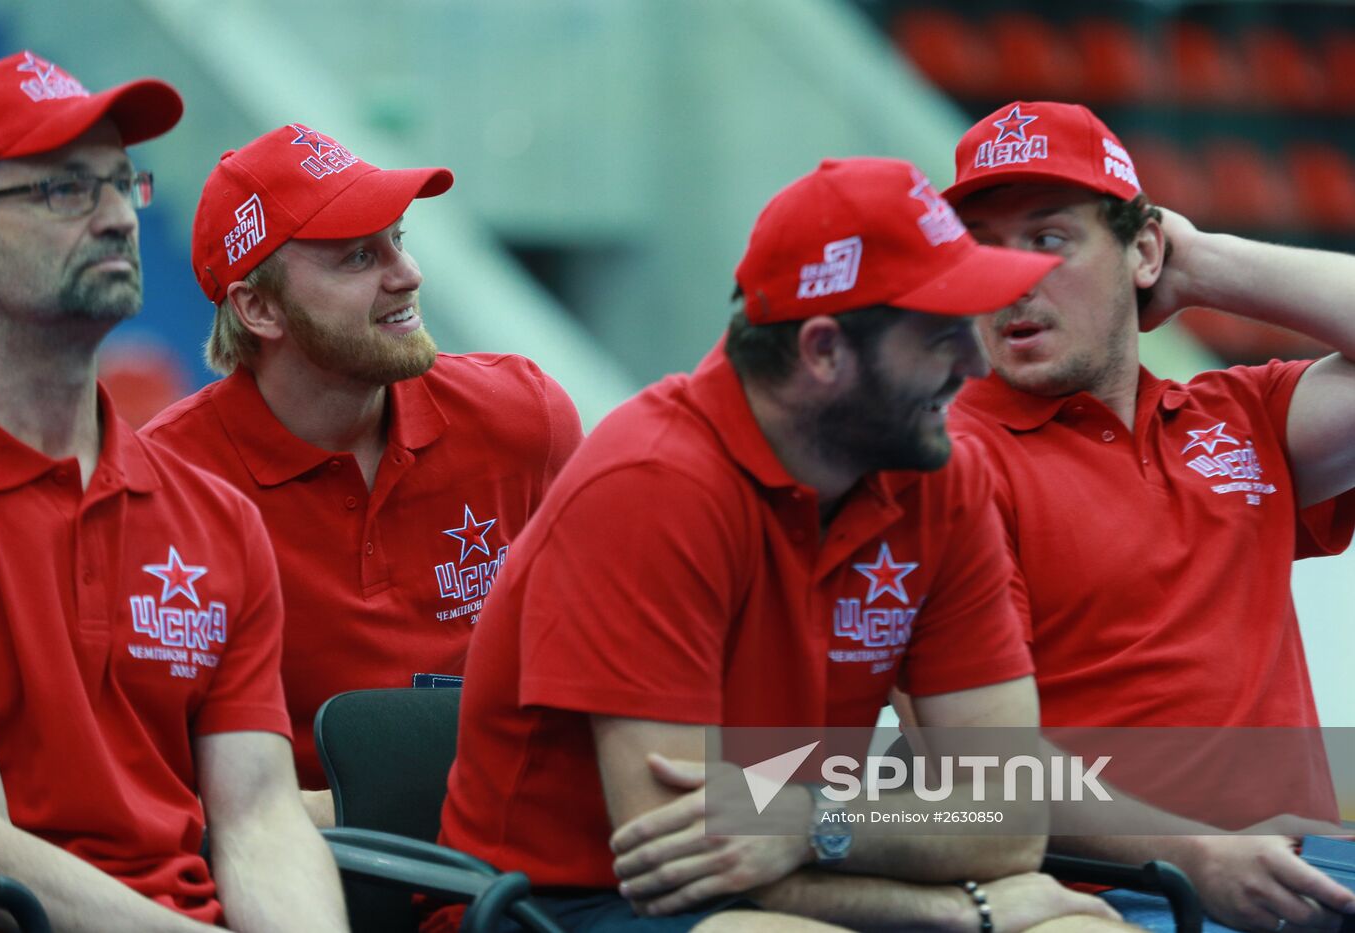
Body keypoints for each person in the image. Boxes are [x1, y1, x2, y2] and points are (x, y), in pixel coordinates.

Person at [435, 157, 1124, 932]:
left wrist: (811, 822)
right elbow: (684, 865)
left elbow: (1011, 819)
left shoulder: (938, 474)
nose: (973, 361)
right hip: (563, 904)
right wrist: (963, 911)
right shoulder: (651, 485)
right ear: (825, 351)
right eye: (938, 336)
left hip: (788, 876)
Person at [940, 100, 1355, 933]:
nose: (1011, 277)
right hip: (1114, 896)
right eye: (981, 246)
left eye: (1049, 239)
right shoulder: (948, 462)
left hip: (1311, 869)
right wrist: (1193, 854)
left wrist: (1204, 265)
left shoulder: (1241, 414)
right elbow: (973, 771)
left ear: (1143, 250)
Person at [0, 52, 346, 932]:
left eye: (124, 182)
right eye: (62, 190)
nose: (118, 217)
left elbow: (258, 817)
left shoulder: (214, 519)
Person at [141, 122, 583, 824]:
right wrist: (359, 815)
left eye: (397, 239)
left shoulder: (524, 416)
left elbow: (624, 686)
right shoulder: (159, 488)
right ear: (258, 308)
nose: (407, 274)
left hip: (517, 868)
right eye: (356, 257)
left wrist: (805, 821)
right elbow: (138, 790)